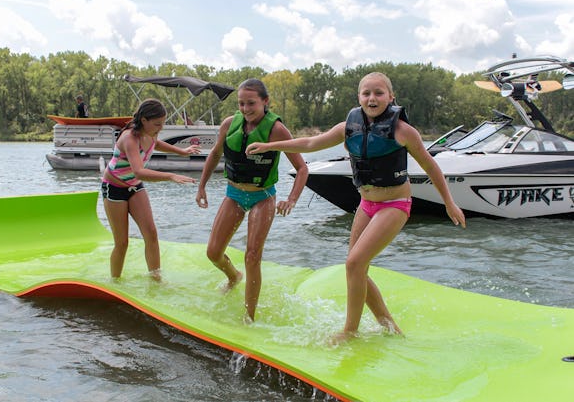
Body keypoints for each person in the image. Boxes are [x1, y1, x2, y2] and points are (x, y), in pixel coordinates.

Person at [246, 72, 466, 342]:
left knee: (354, 263)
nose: (372, 98)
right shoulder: (348, 127)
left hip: (394, 204)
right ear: (359, 97)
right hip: (366, 204)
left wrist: (449, 203)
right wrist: (270, 145)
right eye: (366, 93)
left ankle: (350, 330)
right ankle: (389, 326)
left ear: (391, 97)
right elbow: (311, 143)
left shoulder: (403, 131)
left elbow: (431, 166)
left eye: (378, 93)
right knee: (357, 267)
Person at [196, 78, 308, 322]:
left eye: (251, 103)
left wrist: (291, 199)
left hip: (262, 197)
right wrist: (202, 186)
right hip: (234, 193)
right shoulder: (229, 124)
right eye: (241, 104)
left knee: (252, 256)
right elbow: (215, 154)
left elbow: (302, 168)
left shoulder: (276, 130)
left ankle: (249, 317)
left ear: (265, 102)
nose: (245, 109)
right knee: (213, 253)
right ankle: (233, 276)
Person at [101, 98, 199, 282]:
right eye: (157, 124)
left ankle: (156, 280)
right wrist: (170, 176)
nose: (160, 128)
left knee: (151, 234)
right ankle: (115, 282)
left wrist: (182, 151)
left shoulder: (151, 132)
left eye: (162, 124)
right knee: (122, 243)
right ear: (144, 120)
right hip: (114, 188)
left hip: (135, 186)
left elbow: (157, 143)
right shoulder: (129, 138)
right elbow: (139, 171)